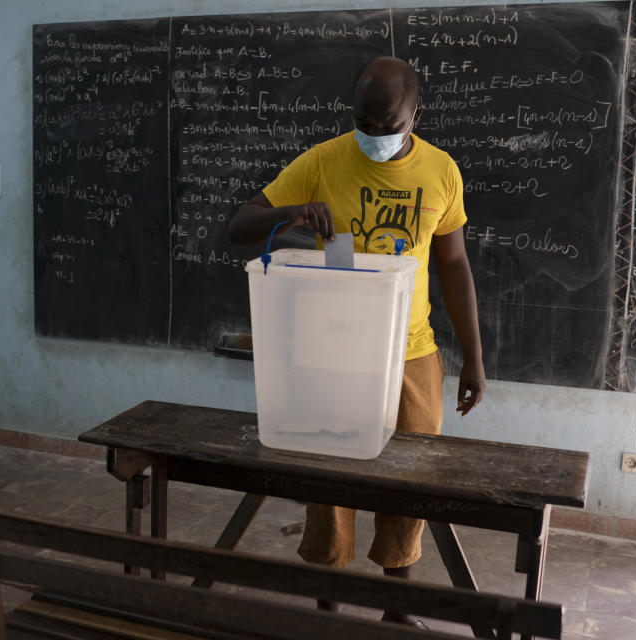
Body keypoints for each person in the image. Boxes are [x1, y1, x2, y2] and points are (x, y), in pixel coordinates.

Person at [227, 56, 486, 627]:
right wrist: (294, 212)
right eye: (363, 125)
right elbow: (238, 225)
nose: (372, 137)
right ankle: (330, 612)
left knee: (409, 482)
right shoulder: (323, 160)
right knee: (330, 480)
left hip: (412, 350)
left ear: (417, 113)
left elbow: (454, 265)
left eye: (387, 125)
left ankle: (398, 608)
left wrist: (474, 357)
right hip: (334, 349)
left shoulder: (442, 172)